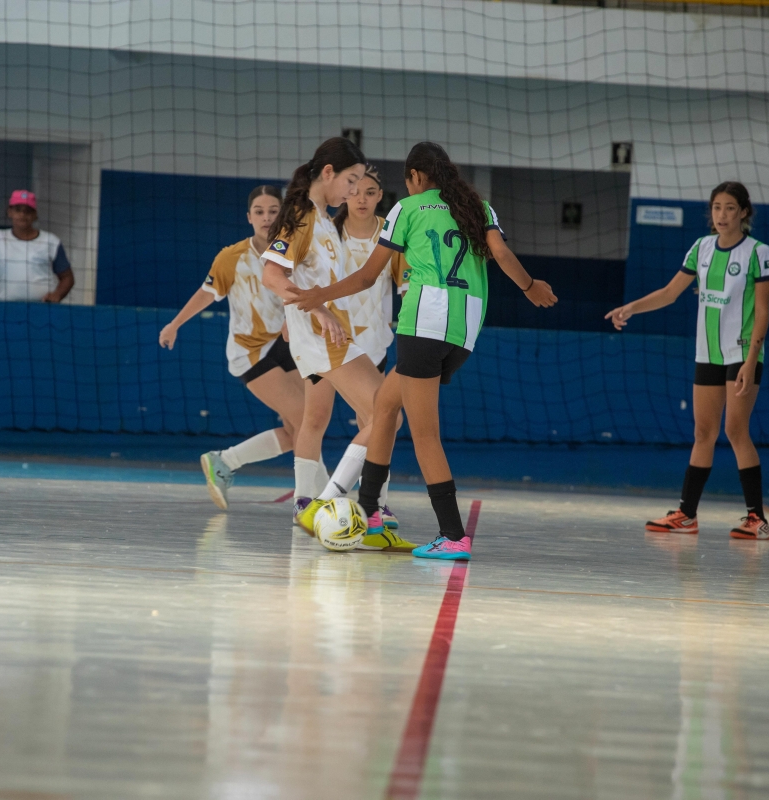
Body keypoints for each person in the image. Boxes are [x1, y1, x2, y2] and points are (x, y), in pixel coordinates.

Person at [288, 142, 557, 560]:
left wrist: (319, 295)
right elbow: (501, 253)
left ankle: (452, 534)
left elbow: (367, 277)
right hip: (464, 329)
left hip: (424, 322)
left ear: (414, 177)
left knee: (424, 434)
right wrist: (531, 286)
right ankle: (371, 516)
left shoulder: (407, 209)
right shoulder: (479, 208)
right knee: (384, 406)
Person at [261, 137, 417, 553]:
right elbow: (272, 276)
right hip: (323, 339)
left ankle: (360, 511)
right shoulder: (301, 215)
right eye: (350, 181)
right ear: (328, 173)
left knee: (383, 416)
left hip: (338, 337)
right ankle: (331, 505)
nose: (352, 192)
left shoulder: (325, 221)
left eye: (362, 185)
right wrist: (316, 312)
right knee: (385, 416)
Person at [606, 181, 769, 540]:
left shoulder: (758, 252)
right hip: (707, 352)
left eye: (730, 208)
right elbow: (670, 293)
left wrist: (751, 360)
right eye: (717, 207)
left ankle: (757, 519)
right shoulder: (701, 248)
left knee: (735, 430)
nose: (722, 215)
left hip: (741, 353)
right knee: (703, 432)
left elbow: (762, 311)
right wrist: (630, 308)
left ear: (744, 212)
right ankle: (687, 515)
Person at [159, 185, 309, 510]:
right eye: (259, 212)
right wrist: (175, 324)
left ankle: (225, 461)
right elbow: (207, 292)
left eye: (273, 211)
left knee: (297, 429)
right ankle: (310, 500)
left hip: (286, 344)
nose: (266, 218)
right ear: (249, 217)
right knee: (307, 419)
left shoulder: (296, 251)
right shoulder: (232, 257)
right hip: (250, 350)